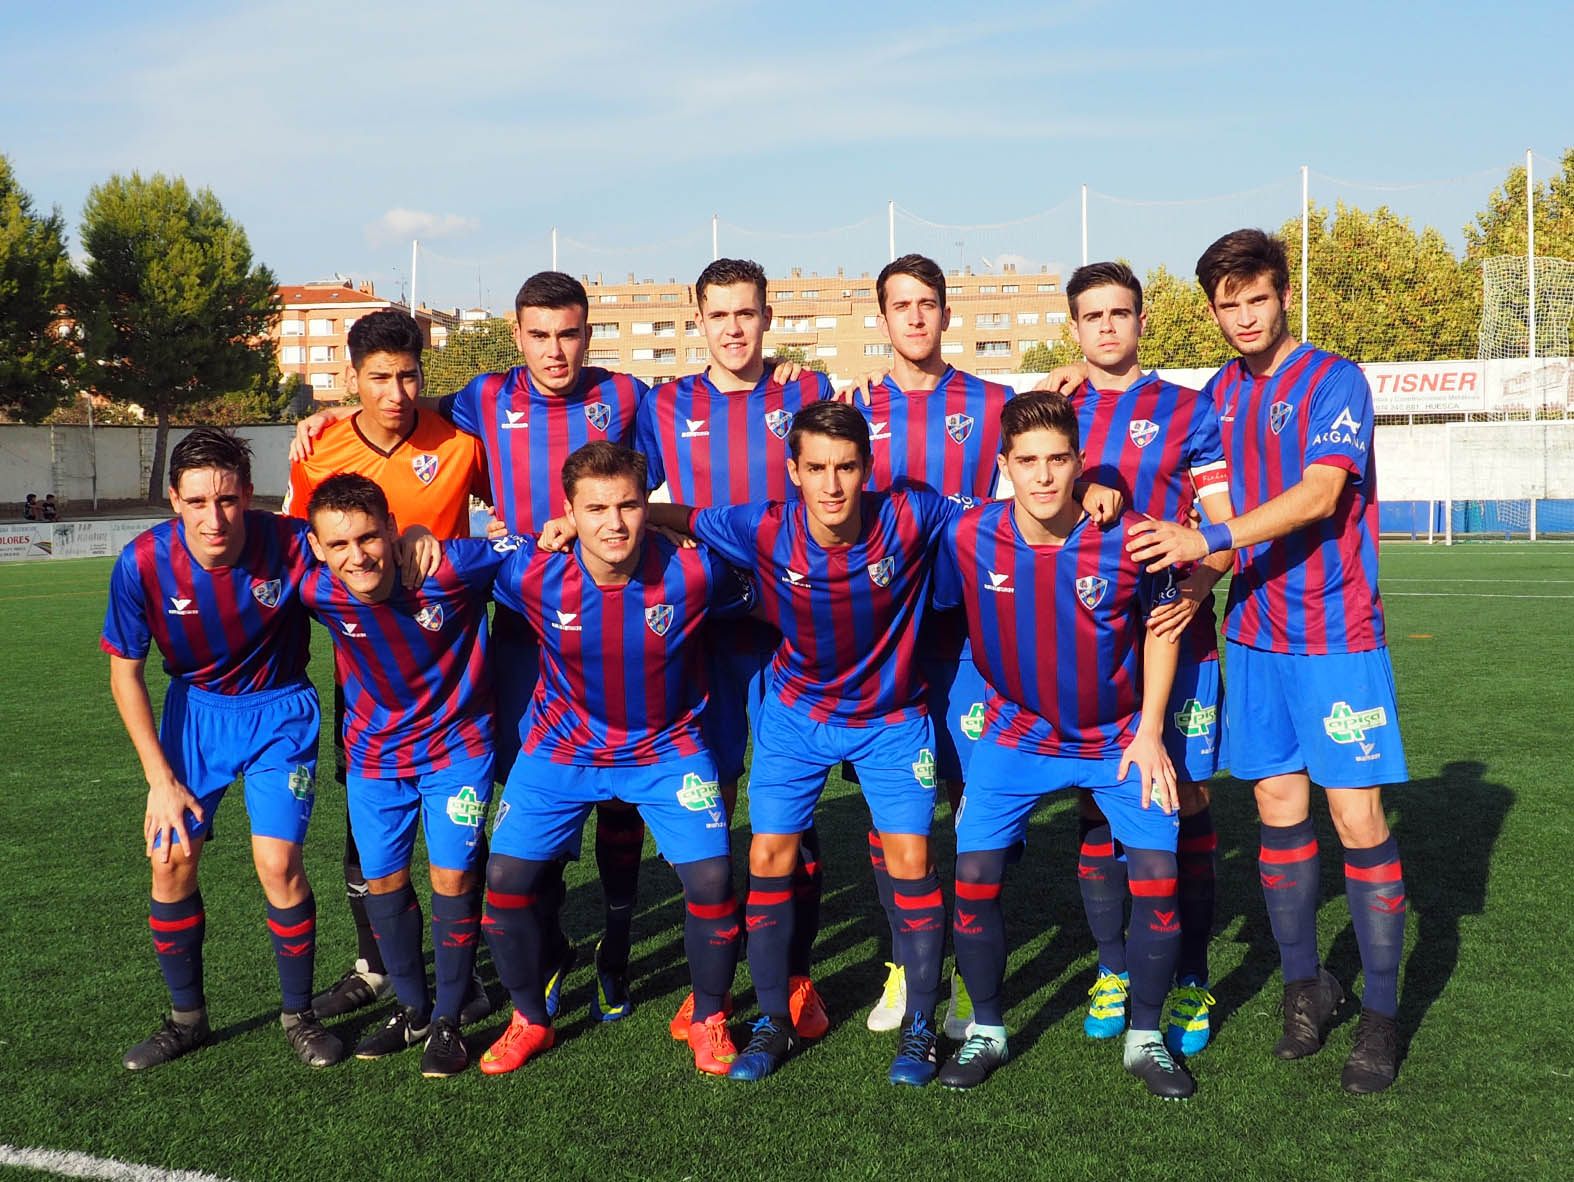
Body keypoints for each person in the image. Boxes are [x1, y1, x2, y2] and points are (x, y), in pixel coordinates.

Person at [293, 272, 650, 1025]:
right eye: (539, 334)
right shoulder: (480, 402)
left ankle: (611, 946)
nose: (556, 349)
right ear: (516, 336)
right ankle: (400, 965)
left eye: (570, 332)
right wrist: (325, 410)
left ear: (589, 333)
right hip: (459, 643)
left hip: (586, 617)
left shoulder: (626, 398)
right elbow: (388, 410)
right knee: (470, 806)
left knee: (618, 786)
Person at [1124, 228, 1409, 1094]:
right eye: (1227, 304)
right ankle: (1305, 988)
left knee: (1357, 821)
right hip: (1253, 631)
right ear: (1212, 311)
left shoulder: (1334, 379)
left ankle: (1383, 1016)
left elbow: (1321, 495)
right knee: (1278, 811)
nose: (1245, 316)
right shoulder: (1215, 393)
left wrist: (1205, 537)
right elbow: (1156, 436)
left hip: (1335, 636)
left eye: (1257, 298)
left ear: (1284, 296)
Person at [638, 400, 964, 1086]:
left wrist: (1084, 488)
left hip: (891, 718)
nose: (833, 484)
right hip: (795, 715)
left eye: (846, 467)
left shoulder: (910, 515)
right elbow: (682, 516)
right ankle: (772, 1019)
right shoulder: (765, 527)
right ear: (793, 471)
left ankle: (922, 1026)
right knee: (768, 857)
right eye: (816, 468)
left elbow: (1005, 517)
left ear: (868, 469)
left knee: (911, 861)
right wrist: (591, 523)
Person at [933, 391, 1195, 1099]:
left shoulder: (1131, 534)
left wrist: (1149, 734)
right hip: (1016, 735)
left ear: (1082, 462)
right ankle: (987, 1028)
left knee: (1159, 882)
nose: (1044, 476)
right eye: (1028, 462)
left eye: (1058, 459)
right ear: (1003, 466)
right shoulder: (967, 535)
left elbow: (1162, 629)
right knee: (974, 879)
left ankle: (1146, 1037)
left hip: (1118, 740)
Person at [477, 442, 751, 1078]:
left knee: (712, 884)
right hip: (561, 748)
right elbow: (449, 566)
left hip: (666, 747)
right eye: (595, 508)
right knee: (504, 886)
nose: (615, 522)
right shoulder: (530, 574)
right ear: (569, 513)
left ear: (646, 507)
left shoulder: (694, 572)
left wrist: (676, 523)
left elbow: (768, 559)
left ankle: (709, 1015)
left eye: (629, 504)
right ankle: (530, 1018)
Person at [633, 257, 834, 1042]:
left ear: (768, 316)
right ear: (697, 319)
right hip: (698, 635)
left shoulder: (810, 395)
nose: (734, 328)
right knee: (704, 810)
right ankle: (708, 981)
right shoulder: (663, 403)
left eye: (746, 312)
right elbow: (614, 482)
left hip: (793, 630)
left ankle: (794, 978)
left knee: (796, 812)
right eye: (718, 315)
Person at [101, 427, 341, 1070]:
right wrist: (159, 779)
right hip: (195, 717)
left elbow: (359, 581)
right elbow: (126, 671)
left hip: (280, 712)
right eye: (199, 501)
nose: (215, 518)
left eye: (229, 500)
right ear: (174, 500)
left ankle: (299, 1015)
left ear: (249, 496)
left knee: (279, 866)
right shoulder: (143, 562)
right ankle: (187, 1020)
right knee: (171, 863)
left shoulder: (291, 543)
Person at [284, 309, 493, 1025]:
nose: (395, 393)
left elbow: (510, 516)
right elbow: (297, 543)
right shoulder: (317, 450)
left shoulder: (463, 443)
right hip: (365, 673)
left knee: (460, 830)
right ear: (351, 378)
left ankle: (475, 966)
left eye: (408, 375)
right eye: (378, 378)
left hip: (450, 660)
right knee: (368, 824)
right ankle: (375, 966)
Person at [1057, 261, 1236, 1058]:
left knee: (1185, 800)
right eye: (1091, 316)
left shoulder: (1188, 411)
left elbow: (1225, 530)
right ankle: (1113, 968)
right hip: (1090, 648)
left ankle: (1192, 975)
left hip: (1178, 639)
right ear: (1073, 328)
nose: (1106, 328)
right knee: (1099, 803)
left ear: (1142, 320)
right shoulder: (1053, 410)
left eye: (1119, 313)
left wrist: (1196, 587)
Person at [843, 253, 1014, 1038]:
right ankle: (907, 965)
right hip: (889, 642)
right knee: (895, 814)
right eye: (900, 305)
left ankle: (970, 961)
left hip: (975, 636)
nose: (914, 317)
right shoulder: (852, 406)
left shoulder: (994, 401)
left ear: (948, 314)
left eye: (928, 303)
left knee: (978, 812)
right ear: (881, 318)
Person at [300, 473, 504, 1078]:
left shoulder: (452, 569)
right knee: (383, 885)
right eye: (338, 545)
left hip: (457, 751)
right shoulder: (317, 589)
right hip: (374, 760)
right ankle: (412, 1009)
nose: (356, 556)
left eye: (368, 537)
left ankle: (448, 1014)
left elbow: (529, 545)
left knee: (451, 874)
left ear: (392, 530)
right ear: (317, 548)